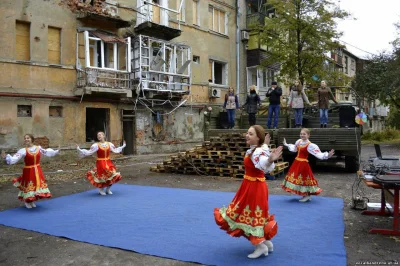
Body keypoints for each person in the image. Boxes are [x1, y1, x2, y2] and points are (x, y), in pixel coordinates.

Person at [214, 125, 283, 259]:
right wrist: (266, 149)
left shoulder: (257, 152)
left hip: (254, 187)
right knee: (254, 215)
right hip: (252, 185)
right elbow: (263, 156)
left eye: (250, 134)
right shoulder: (257, 149)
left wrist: (269, 159)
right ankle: (265, 241)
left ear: (258, 138)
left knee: (251, 216)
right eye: (247, 133)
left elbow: (263, 164)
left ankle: (260, 246)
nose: (247, 135)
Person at [1, 134, 60, 209]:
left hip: (37, 170)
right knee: (29, 185)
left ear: (32, 139)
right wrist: (6, 157)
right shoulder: (23, 150)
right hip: (28, 170)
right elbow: (14, 159)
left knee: (36, 185)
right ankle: (27, 201)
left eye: (28, 138)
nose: (26, 139)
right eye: (25, 138)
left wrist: (56, 151)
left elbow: (47, 152)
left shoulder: (38, 148)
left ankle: (32, 200)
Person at [281, 128, 334, 202]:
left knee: (303, 179)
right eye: (301, 134)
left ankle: (307, 195)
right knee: (298, 178)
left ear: (308, 135)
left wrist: (327, 155)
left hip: (303, 164)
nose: (302, 135)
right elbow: (294, 148)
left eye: (304, 134)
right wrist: (286, 144)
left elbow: (318, 154)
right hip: (296, 163)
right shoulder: (299, 141)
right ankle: (305, 195)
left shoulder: (310, 145)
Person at [76, 131, 126, 195]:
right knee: (102, 176)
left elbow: (115, 150)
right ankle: (101, 189)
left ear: (104, 136)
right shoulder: (96, 145)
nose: (98, 136)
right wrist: (79, 149)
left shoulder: (109, 144)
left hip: (108, 161)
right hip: (100, 162)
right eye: (97, 135)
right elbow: (89, 152)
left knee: (112, 174)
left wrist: (123, 146)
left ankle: (108, 189)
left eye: (100, 135)